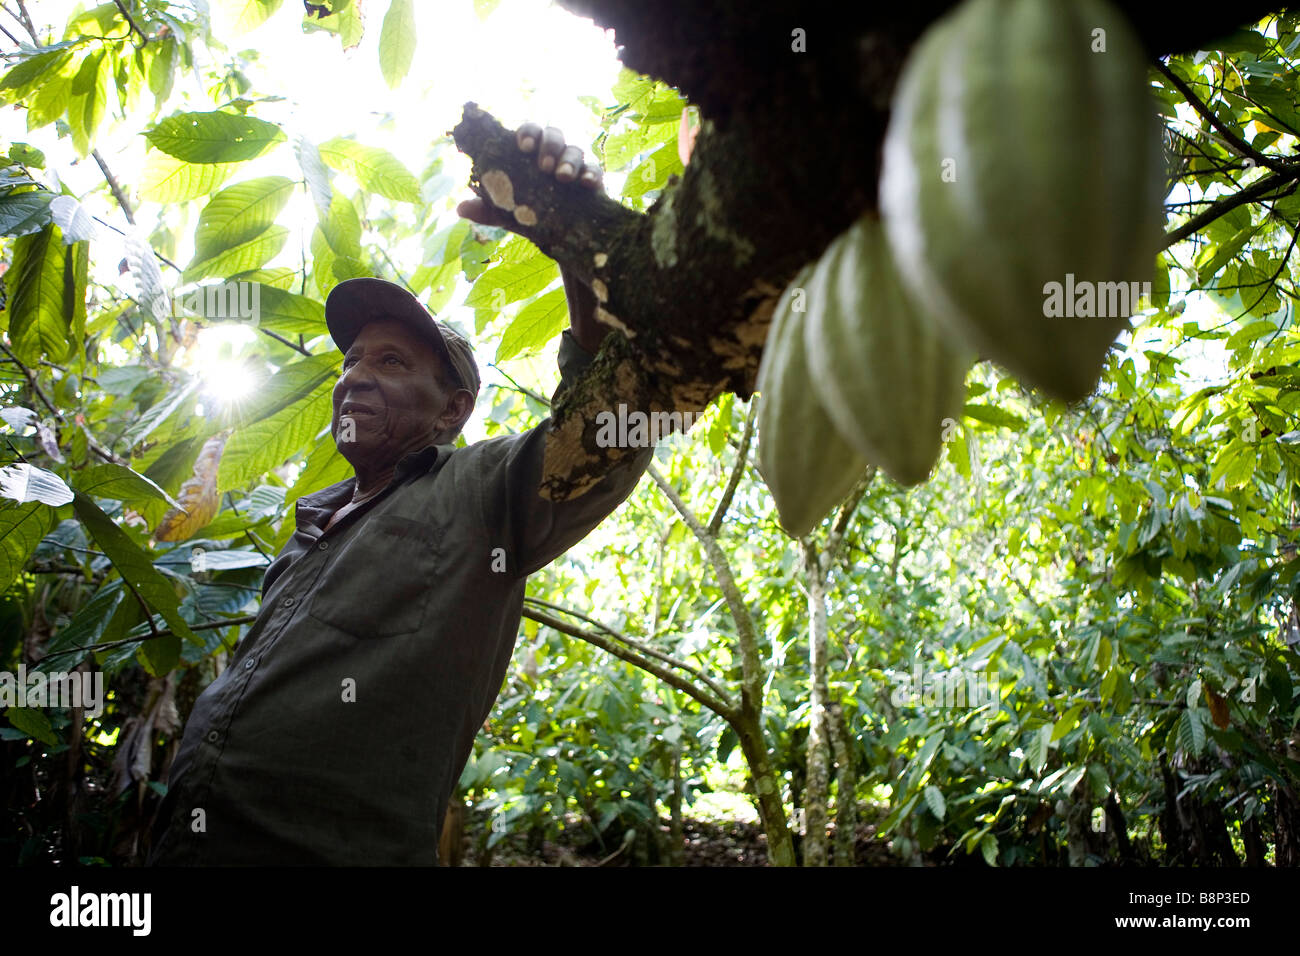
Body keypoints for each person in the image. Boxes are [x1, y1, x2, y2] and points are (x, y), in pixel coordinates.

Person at [148, 125, 651, 865]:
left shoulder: (478, 492)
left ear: (452, 410)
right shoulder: (311, 527)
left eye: (390, 361)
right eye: (351, 360)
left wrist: (573, 240)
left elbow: (608, 430)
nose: (354, 376)